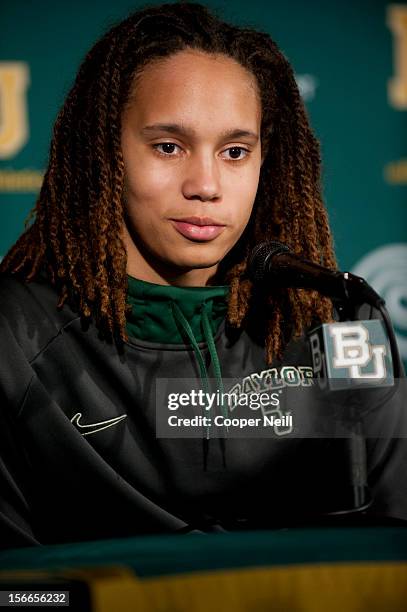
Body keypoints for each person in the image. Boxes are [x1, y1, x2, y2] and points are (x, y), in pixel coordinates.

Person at [0, 2, 405, 551]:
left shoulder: (339, 323)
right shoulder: (14, 335)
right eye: (169, 146)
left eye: (235, 151)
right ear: (103, 153)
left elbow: (386, 560)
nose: (206, 185)